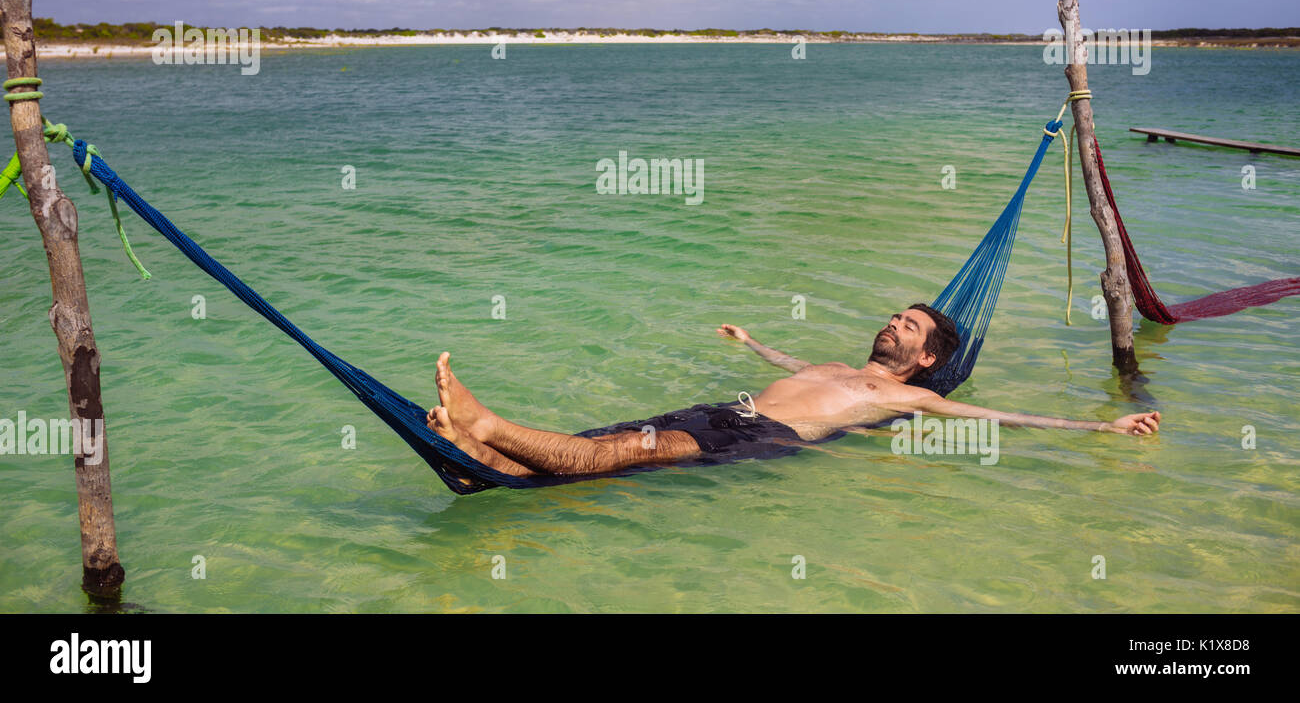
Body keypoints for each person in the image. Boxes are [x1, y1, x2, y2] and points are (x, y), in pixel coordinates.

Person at [425, 303, 1160, 478]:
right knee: (604, 440)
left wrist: (1102, 429)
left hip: (763, 439)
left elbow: (1001, 415)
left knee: (625, 451)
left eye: (907, 325)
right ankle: (492, 458)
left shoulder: (916, 398)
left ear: (926, 356)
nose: (892, 323)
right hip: (727, 410)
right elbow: (790, 362)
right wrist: (750, 344)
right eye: (894, 315)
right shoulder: (839, 371)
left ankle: (486, 428)